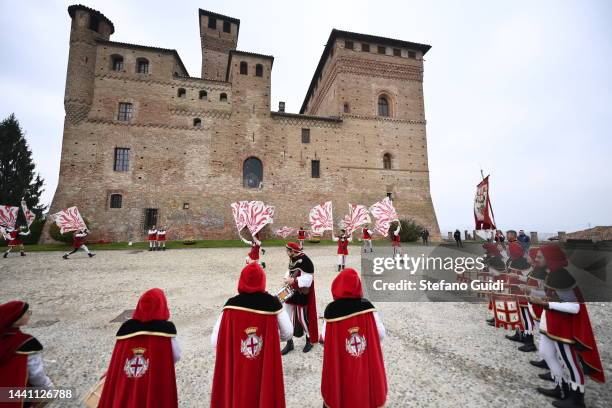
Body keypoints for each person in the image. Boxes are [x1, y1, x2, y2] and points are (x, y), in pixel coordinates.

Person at [530, 244, 605, 407]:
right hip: (551, 322)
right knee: (546, 353)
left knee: (571, 363)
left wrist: (548, 305)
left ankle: (577, 399)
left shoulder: (562, 276)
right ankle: (560, 386)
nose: (536, 259)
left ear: (550, 259)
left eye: (540, 257)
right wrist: (533, 293)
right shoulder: (553, 274)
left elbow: (574, 306)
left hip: (563, 327)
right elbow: (552, 294)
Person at [210, 263, 292, 408]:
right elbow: (288, 332)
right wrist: (270, 338)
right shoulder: (272, 303)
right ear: (262, 281)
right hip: (264, 365)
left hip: (238, 369)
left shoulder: (231, 305)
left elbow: (215, 340)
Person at [98, 288, 181, 408]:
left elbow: (118, 359)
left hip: (126, 384)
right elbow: (176, 356)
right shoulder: (165, 332)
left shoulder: (125, 330)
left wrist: (112, 372)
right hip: (153, 381)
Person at [320, 268, 387, 408]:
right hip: (364, 364)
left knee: (341, 392)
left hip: (341, 364)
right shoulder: (367, 306)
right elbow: (381, 333)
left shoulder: (331, 311)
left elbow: (325, 338)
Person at [0, 300, 54, 405]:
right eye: (27, 312)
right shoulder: (26, 343)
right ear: (16, 318)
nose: (30, 314)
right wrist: (49, 388)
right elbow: (37, 375)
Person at [281, 242, 318, 354]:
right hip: (290, 291)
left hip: (301, 292)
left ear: (293, 251)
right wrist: (286, 278)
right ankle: (289, 342)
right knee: (286, 316)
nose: (287, 252)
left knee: (302, 318)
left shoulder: (306, 261)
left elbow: (309, 279)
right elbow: (290, 271)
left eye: (288, 250)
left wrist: (295, 281)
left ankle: (309, 339)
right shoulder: (293, 257)